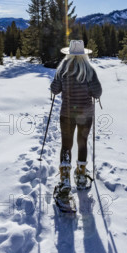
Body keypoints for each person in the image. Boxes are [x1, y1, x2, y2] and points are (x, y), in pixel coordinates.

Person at [50, 40, 102, 197]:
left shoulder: (63, 70)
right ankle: (80, 177)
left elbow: (54, 89)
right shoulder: (89, 70)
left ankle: (65, 181)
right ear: (84, 55)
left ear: (69, 54)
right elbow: (97, 93)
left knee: (66, 145)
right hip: (85, 115)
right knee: (82, 143)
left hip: (66, 114)